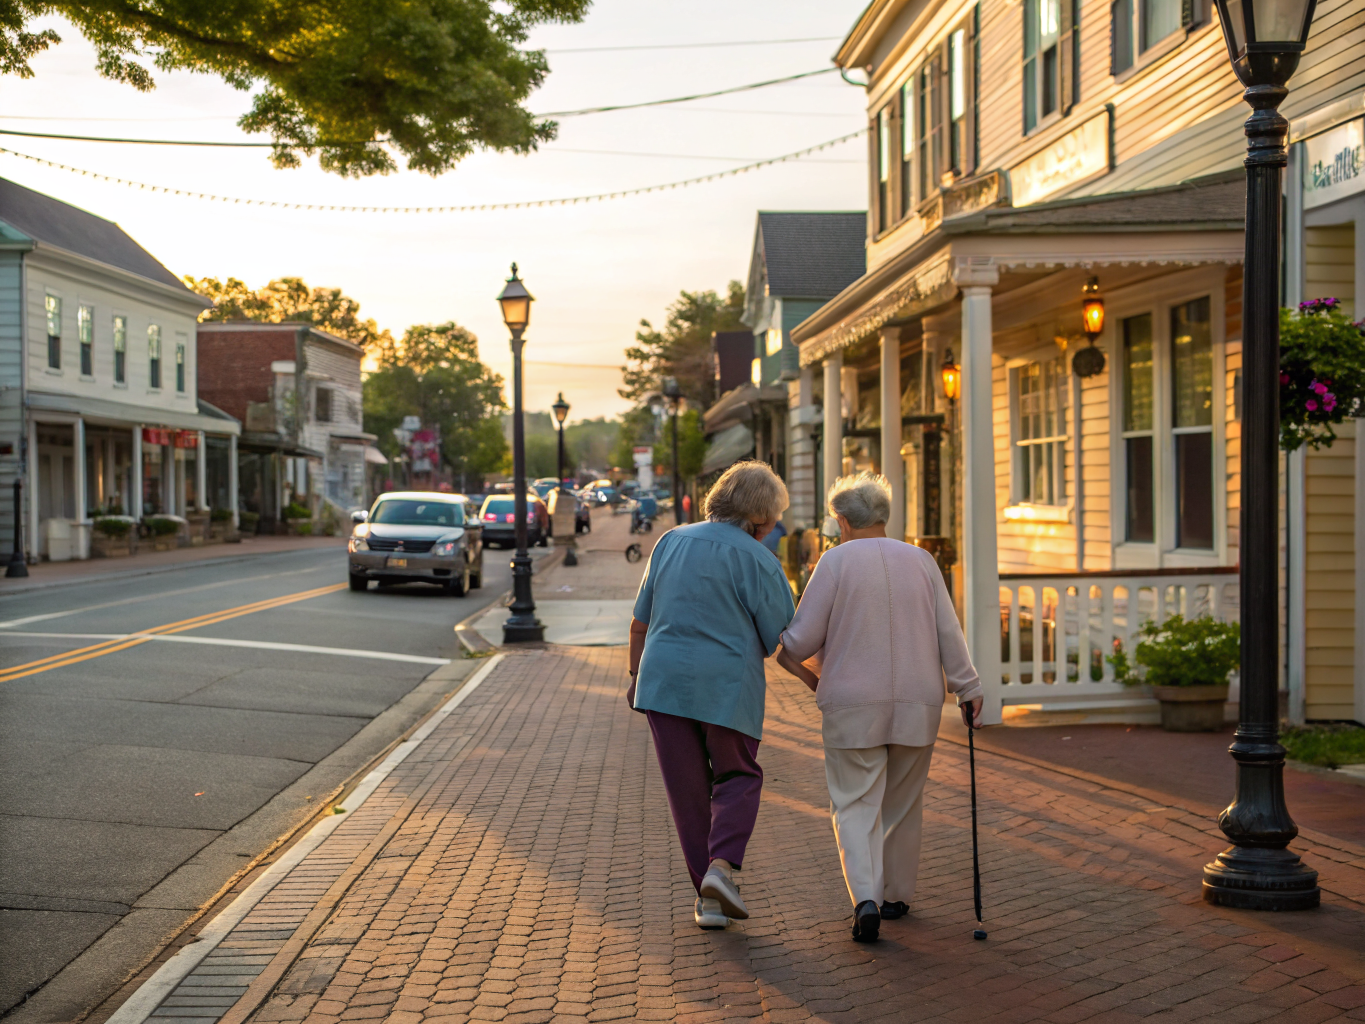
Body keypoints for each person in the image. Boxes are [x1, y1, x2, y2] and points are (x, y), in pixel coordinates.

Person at [776, 472, 983, 943]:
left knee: (854, 802)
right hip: (918, 699)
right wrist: (968, 687)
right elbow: (949, 632)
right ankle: (896, 895)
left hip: (852, 703)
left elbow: (800, 638)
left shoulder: (835, 562)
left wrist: (803, 664)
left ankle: (865, 898)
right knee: (904, 804)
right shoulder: (922, 561)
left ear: (843, 520)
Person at [628, 461, 796, 930]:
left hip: (661, 683)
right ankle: (721, 869)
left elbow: (640, 620)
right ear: (761, 519)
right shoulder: (760, 559)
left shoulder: (669, 541)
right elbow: (782, 634)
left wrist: (633, 673)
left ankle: (709, 900)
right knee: (738, 773)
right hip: (726, 685)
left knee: (688, 792)